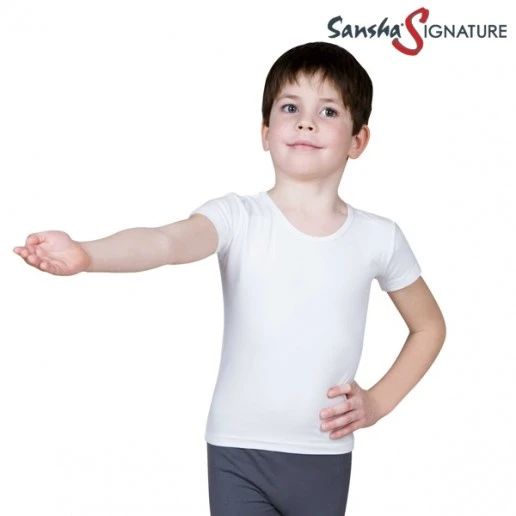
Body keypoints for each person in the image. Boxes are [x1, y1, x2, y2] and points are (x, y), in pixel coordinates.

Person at [13, 41, 446, 515]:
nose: (306, 122)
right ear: (265, 132)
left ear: (358, 140)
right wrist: (87, 253)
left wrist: (377, 404)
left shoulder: (378, 237)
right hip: (237, 450)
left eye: (327, 111)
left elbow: (428, 327)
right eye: (290, 107)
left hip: (322, 453)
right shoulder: (237, 218)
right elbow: (166, 242)